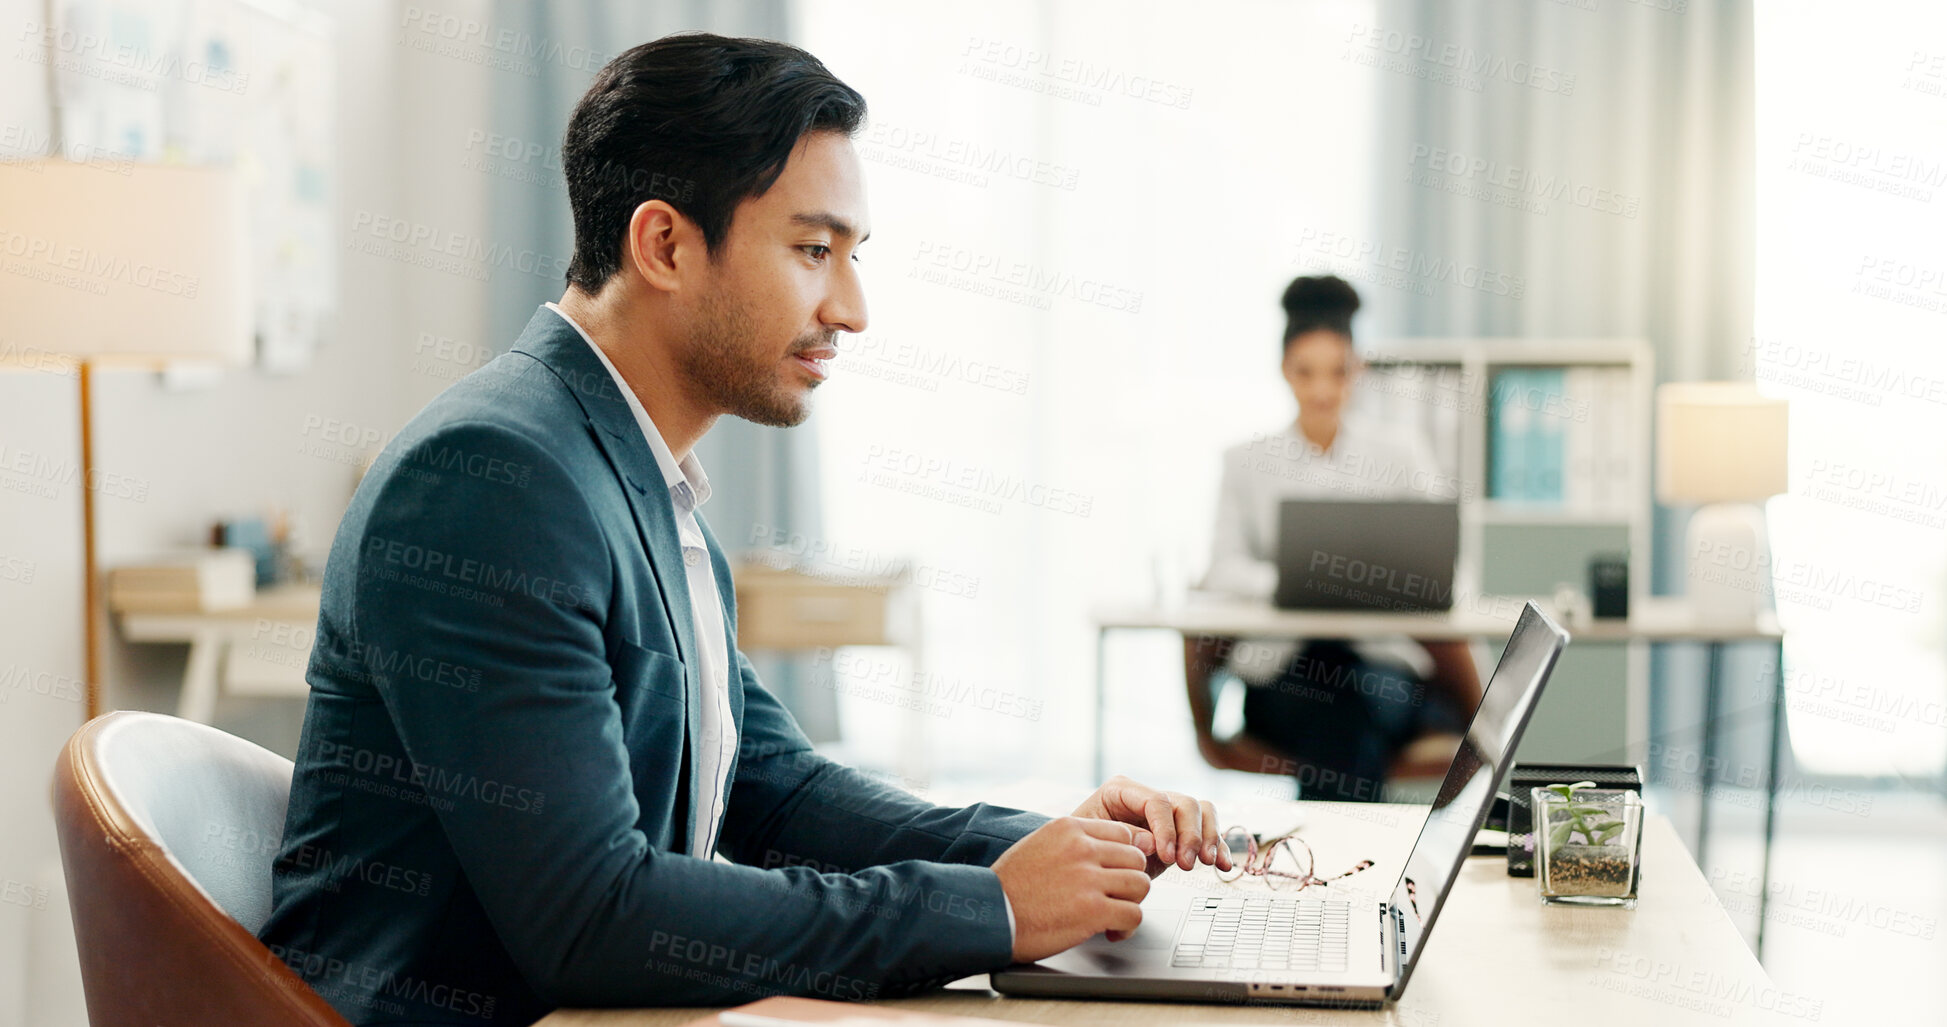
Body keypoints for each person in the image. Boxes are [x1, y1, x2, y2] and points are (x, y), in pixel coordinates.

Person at [258, 34, 1228, 1027]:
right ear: (666, 245)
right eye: (815, 251)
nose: (851, 310)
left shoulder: (632, 476)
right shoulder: (493, 480)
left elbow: (777, 794)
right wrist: (991, 909)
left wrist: (1052, 851)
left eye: (853, 257)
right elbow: (596, 917)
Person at [1186, 275, 1483, 802]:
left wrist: (1374, 580)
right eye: (1306, 372)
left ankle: (1322, 870)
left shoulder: (1400, 452)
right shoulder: (1244, 461)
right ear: (1284, 371)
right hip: (1285, 671)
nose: (1322, 390)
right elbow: (1221, 568)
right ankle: (1371, 870)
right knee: (1338, 715)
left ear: (1358, 370)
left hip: (1380, 666)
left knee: (1346, 712)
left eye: (1338, 372)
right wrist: (1296, 580)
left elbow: (1445, 569)